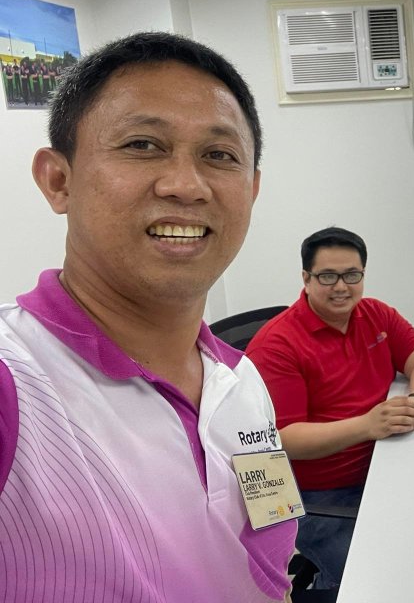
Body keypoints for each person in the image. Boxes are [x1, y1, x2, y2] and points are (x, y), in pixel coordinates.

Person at [0, 32, 296, 602]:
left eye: (219, 155)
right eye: (142, 145)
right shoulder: (15, 384)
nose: (186, 185)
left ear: (252, 190)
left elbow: (272, 543)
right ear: (58, 180)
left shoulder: (241, 381)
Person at [247, 227, 414, 590]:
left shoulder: (374, 314)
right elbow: (283, 439)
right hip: (318, 497)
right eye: (328, 276)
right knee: (381, 582)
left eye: (352, 275)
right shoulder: (277, 344)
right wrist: (367, 426)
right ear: (306, 278)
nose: (341, 287)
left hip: (388, 464)